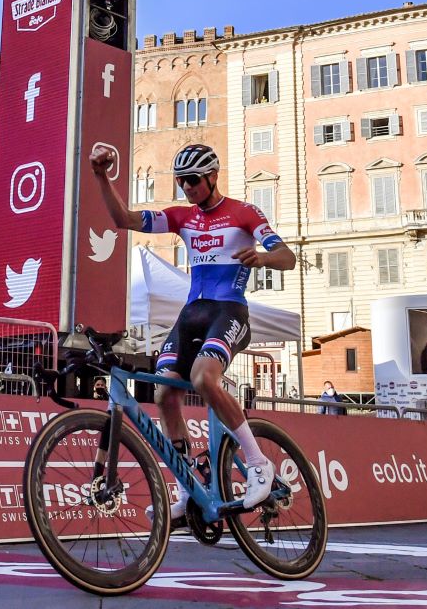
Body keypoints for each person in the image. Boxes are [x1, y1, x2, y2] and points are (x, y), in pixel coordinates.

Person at [90, 142, 295, 519]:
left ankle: (258, 463)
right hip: (192, 314)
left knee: (203, 378)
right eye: (182, 181)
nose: (188, 187)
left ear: (213, 176)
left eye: (194, 180)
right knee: (164, 391)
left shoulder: (244, 212)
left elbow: (288, 257)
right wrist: (101, 176)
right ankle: (188, 487)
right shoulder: (183, 217)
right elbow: (124, 220)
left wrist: (263, 257)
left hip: (229, 310)